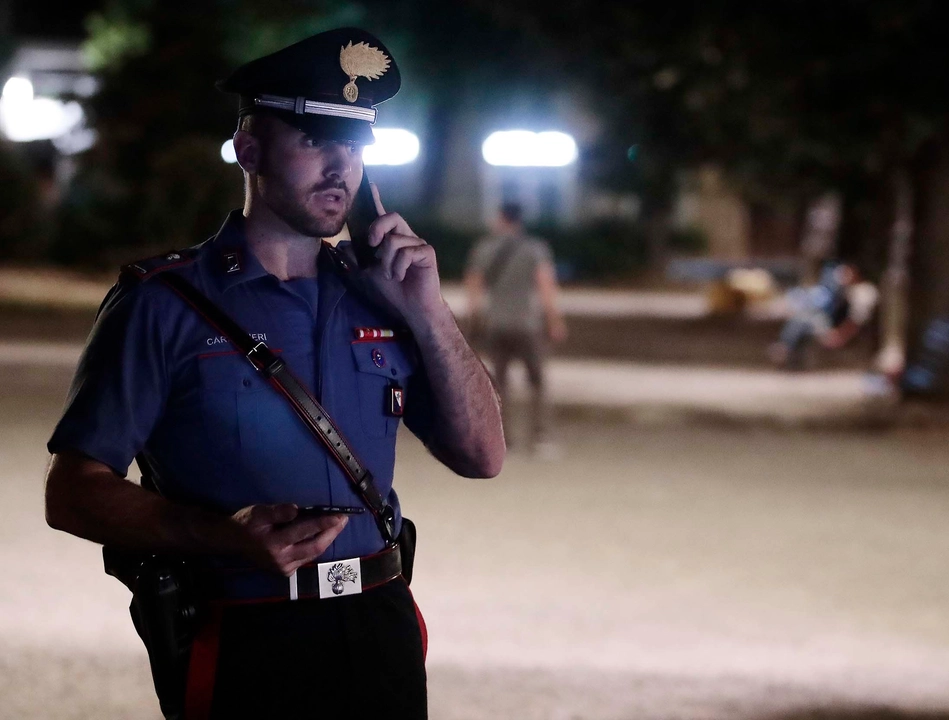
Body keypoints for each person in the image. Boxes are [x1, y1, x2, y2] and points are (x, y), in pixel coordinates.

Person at [42, 28, 505, 720]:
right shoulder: (162, 304)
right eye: (316, 140)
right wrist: (215, 534)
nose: (340, 167)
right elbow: (73, 494)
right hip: (245, 635)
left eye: (354, 146)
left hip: (379, 624)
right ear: (251, 150)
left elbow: (483, 456)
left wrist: (432, 312)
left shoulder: (380, 294)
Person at [464, 202, 568, 457]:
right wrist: (554, 320)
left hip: (496, 323)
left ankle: (503, 439)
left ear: (501, 218)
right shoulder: (536, 248)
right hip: (527, 324)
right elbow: (545, 285)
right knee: (538, 381)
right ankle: (541, 437)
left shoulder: (485, 248)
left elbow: (474, 284)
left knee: (499, 384)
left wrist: (475, 316)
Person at [768, 262, 877, 370]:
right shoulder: (845, 289)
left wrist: (840, 336)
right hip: (827, 323)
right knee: (801, 317)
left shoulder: (864, 293)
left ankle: (785, 347)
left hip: (837, 330)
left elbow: (857, 321)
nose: (842, 277)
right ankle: (786, 349)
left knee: (805, 319)